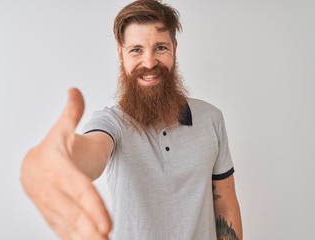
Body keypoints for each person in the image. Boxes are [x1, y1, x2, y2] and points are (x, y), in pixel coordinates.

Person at [21, 0, 242, 239]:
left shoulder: (211, 119)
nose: (149, 63)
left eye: (160, 48)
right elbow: (91, 149)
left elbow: (226, 207)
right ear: (120, 54)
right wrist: (47, 163)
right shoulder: (110, 123)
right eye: (136, 50)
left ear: (175, 49)